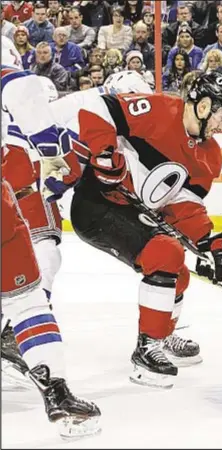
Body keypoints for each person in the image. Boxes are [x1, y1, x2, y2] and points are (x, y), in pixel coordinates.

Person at [50, 72, 222, 388]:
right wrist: (105, 153)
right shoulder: (158, 109)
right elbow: (98, 108)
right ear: (204, 106)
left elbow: (184, 205)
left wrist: (207, 241)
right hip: (97, 204)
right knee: (166, 252)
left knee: (178, 273)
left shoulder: (210, 156)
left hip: (135, 209)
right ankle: (147, 350)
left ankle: (162, 336)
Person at [1, 49, 100, 437]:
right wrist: (55, 145)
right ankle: (57, 393)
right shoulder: (15, 79)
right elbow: (30, 104)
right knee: (27, 300)